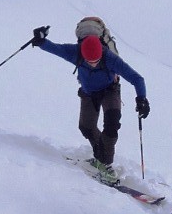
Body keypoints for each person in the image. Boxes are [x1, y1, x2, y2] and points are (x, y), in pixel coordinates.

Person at [32, 26, 150, 171]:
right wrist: (41, 41)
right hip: (89, 93)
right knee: (86, 127)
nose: (93, 63)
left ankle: (105, 164)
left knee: (111, 125)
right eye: (89, 61)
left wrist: (142, 99)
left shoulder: (110, 58)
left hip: (110, 91)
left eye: (96, 60)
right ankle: (99, 154)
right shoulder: (76, 52)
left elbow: (136, 78)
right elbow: (57, 49)